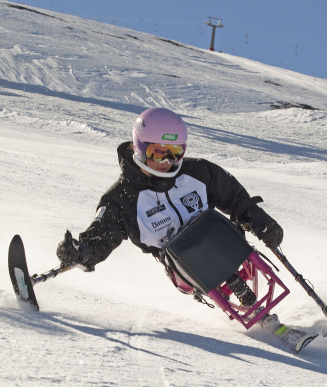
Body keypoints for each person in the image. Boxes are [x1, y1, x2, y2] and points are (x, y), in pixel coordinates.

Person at [56, 107, 284, 286]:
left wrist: (257, 218)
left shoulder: (200, 172)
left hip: (226, 247)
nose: (167, 162)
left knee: (220, 229)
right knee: (190, 253)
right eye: (158, 153)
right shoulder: (121, 199)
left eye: (175, 153)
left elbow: (235, 198)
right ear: (139, 148)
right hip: (183, 269)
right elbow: (102, 235)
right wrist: (82, 252)